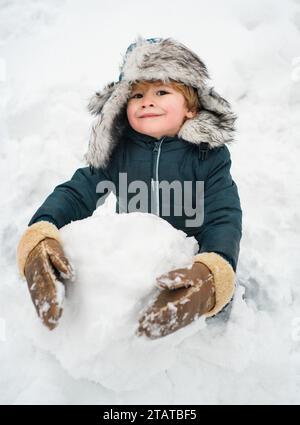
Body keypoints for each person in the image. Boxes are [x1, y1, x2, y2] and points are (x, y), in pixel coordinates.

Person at [16, 36, 242, 339]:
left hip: (190, 265)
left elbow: (223, 215)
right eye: (136, 95)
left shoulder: (208, 156)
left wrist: (213, 268)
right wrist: (43, 230)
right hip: (139, 265)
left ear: (191, 107)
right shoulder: (119, 152)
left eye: (162, 91)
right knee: (133, 332)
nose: (147, 101)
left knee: (203, 333)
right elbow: (77, 191)